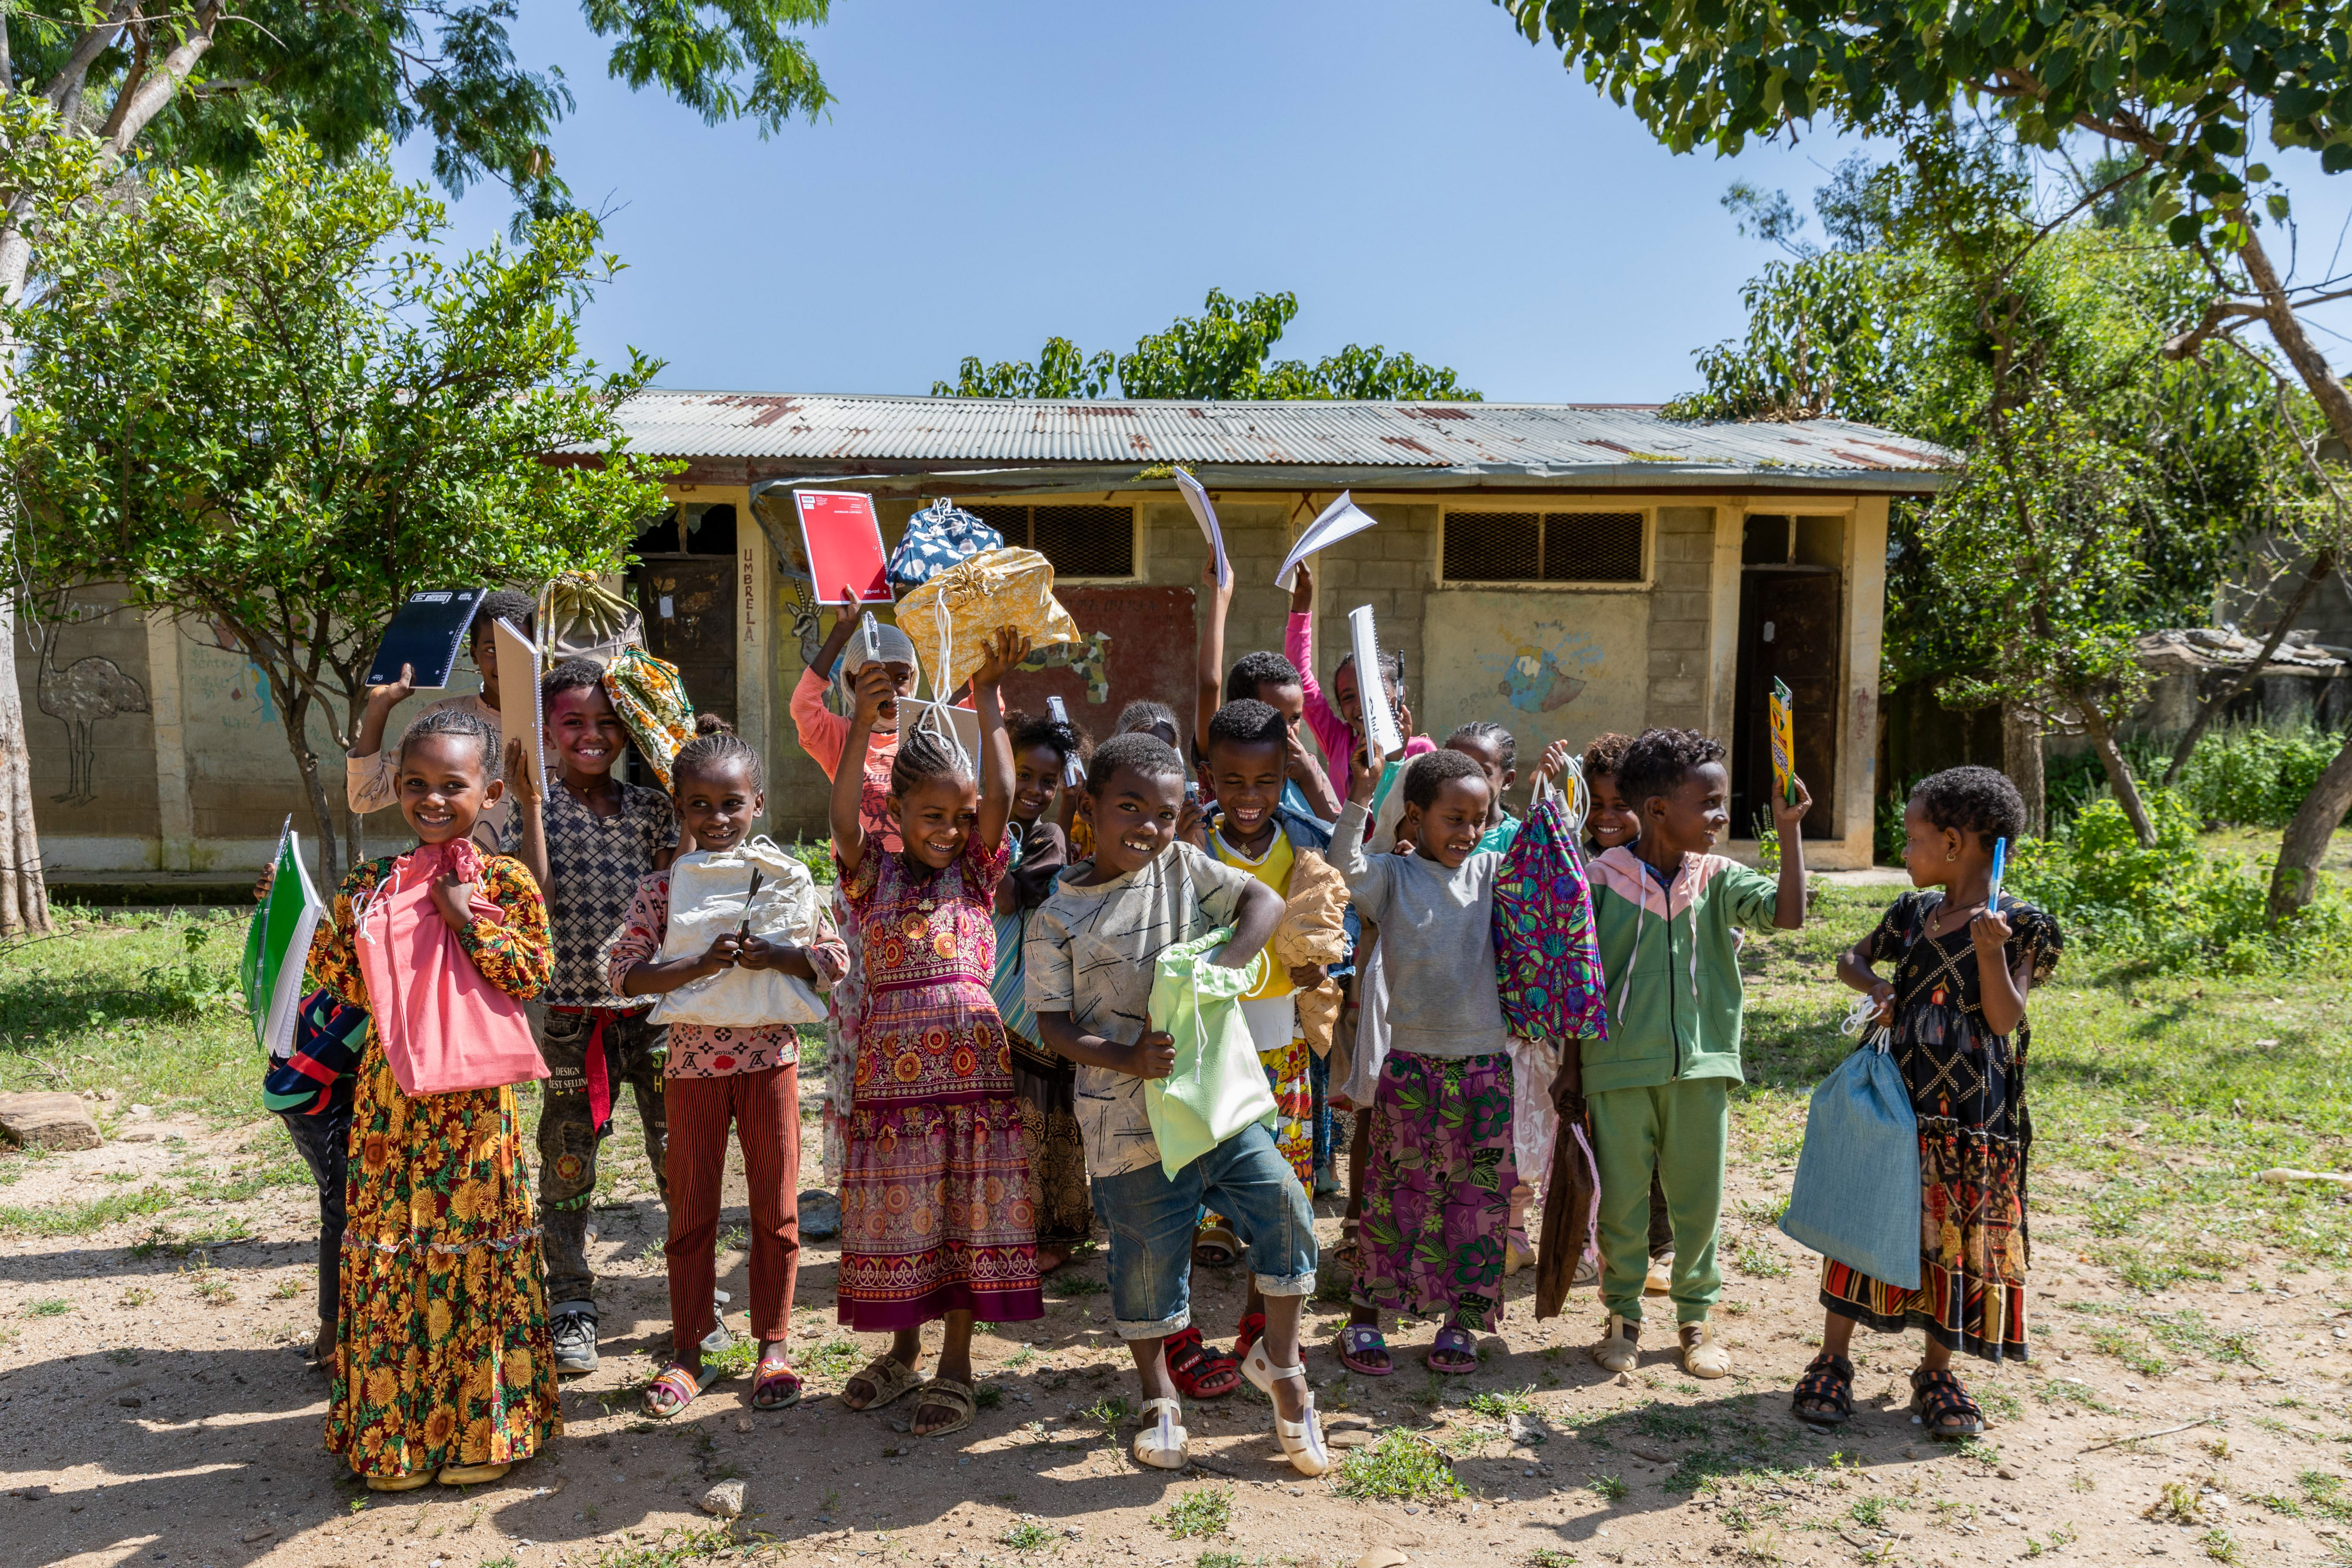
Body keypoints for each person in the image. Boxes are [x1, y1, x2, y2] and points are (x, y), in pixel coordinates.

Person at [1026, 731, 1325, 1475]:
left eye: (1164, 814)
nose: (1149, 828)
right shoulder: (1056, 917)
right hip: (1123, 1116)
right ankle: (1158, 1392)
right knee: (1147, 1254)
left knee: (1283, 1202)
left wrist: (1224, 965)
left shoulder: (1185, 869)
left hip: (1212, 1098)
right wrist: (1125, 1055)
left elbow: (1264, 897)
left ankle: (1281, 1365)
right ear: (1088, 807)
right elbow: (1055, 1026)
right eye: (1129, 807)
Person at [304, 709, 557, 1490]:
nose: (434, 798)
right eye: (417, 784)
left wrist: (463, 921)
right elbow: (339, 979)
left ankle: (483, 1435)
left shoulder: (504, 881)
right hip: (391, 1108)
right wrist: (333, 924)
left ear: (489, 790)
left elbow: (533, 970)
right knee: (392, 1259)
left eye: (454, 784)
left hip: (478, 1109)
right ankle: (395, 1441)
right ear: (398, 789)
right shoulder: (369, 883)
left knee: (478, 1253)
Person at [1795, 767, 2059, 1436]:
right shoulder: (1914, 914)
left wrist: (1991, 953)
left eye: (1911, 839)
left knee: (1953, 1236)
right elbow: (1848, 959)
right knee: (1866, 1215)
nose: (1904, 852)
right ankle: (1833, 1357)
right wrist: (1878, 986)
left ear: (1953, 843)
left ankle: (1937, 1369)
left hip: (1972, 1121)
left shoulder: (2024, 926)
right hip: (1898, 1108)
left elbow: (2004, 1019)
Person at [831, 626, 1043, 1440]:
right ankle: (902, 1349)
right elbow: (842, 810)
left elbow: (999, 787)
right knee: (905, 1215)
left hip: (971, 1077)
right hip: (892, 1079)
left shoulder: (977, 872)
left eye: (959, 816)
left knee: (965, 1212)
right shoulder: (870, 871)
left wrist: (987, 697)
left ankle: (956, 1363)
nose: (951, 828)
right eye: (933, 815)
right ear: (897, 812)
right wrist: (861, 721)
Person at [611, 716, 850, 1418]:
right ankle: (689, 1351)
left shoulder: (785, 878)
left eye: (732, 803)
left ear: (758, 804)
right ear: (679, 808)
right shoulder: (664, 889)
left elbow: (833, 961)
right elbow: (625, 974)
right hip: (691, 1069)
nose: (717, 818)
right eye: (700, 805)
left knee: (777, 1210)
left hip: (770, 1062)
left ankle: (772, 1346)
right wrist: (700, 962)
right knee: (693, 1212)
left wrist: (777, 954)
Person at [1581, 728, 1810, 1379]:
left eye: (1723, 801)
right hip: (1616, 1069)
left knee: (1697, 1200)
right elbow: (1576, 985)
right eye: (1708, 803)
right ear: (1656, 809)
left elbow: (1787, 916)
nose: (1720, 815)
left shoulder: (1719, 879)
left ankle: (1695, 1318)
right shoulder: (1598, 880)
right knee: (1622, 1200)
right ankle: (1622, 1316)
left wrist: (1788, 831)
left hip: (1704, 1067)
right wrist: (1571, 1070)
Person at [504, 658, 679, 1376]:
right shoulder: (526, 808)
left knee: (682, 1159)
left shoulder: (653, 809)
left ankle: (695, 1296)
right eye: (574, 721)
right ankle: (571, 1301)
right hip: (573, 1021)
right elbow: (532, 903)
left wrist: (676, 770)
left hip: (658, 1014)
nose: (592, 735)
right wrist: (535, 808)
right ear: (547, 730)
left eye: (609, 722)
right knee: (567, 1163)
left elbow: (683, 896)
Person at [1331, 745, 1525, 1376]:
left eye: (1479, 818)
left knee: (1477, 1201)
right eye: (1453, 818)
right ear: (1415, 817)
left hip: (1485, 1069)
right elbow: (1343, 870)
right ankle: (1364, 1318)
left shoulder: (1494, 869)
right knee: (1393, 1198)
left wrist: (1561, 812)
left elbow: (1553, 883)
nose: (1467, 832)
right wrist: (1359, 798)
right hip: (1411, 1065)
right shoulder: (1394, 876)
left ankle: (1461, 1323)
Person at [1176, 697, 1347, 1387]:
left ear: (1287, 776)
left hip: (1281, 1050)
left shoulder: (1305, 842)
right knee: (1186, 1188)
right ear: (1208, 777)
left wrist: (1320, 963)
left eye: (1267, 781)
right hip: (1204, 1051)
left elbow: (1333, 919)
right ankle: (1178, 1329)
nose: (1250, 797)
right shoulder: (1189, 848)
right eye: (1233, 781)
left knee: (1283, 1196)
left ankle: (1259, 1323)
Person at [793, 591, 917, 1199]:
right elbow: (802, 704)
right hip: (862, 912)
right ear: (852, 683)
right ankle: (861, 1180)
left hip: (923, 915)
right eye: (874, 677)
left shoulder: (930, 734)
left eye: (901, 675)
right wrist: (841, 634)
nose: (889, 686)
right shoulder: (842, 736)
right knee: (859, 1036)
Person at [992, 708, 1093, 1275]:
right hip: (990, 990)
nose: (1033, 790)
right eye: (1023, 775)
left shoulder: (1046, 835)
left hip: (1034, 995)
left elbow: (1012, 896)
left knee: (1043, 1112)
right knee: (1004, 1119)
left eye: (1045, 781)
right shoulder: (979, 824)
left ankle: (1050, 1236)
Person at [1580, 730, 1675, 1298]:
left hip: (1655, 1033)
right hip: (1600, 1035)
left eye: (1620, 805)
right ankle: (1599, 1243)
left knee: (1659, 1148)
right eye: (1594, 804)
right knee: (1604, 1148)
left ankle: (1661, 1248)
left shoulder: (1668, 864)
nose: (1606, 816)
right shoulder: (1584, 866)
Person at [346, 588, 536, 850]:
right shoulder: (443, 721)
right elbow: (365, 797)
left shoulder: (559, 724)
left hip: (532, 887)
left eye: (517, 648)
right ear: (473, 653)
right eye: (491, 649)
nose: (504, 662)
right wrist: (379, 707)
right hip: (450, 881)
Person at [1282, 561, 1435, 776]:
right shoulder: (1339, 741)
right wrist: (1302, 602)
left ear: (1399, 695)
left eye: (1374, 692)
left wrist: (1395, 758)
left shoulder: (1422, 751)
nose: (1362, 704)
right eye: (1348, 697)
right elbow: (1299, 679)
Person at [1446, 721, 1523, 857]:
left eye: (1482, 771)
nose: (1467, 781)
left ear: (1507, 780)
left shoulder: (1518, 839)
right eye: (1455, 769)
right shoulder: (1433, 826)